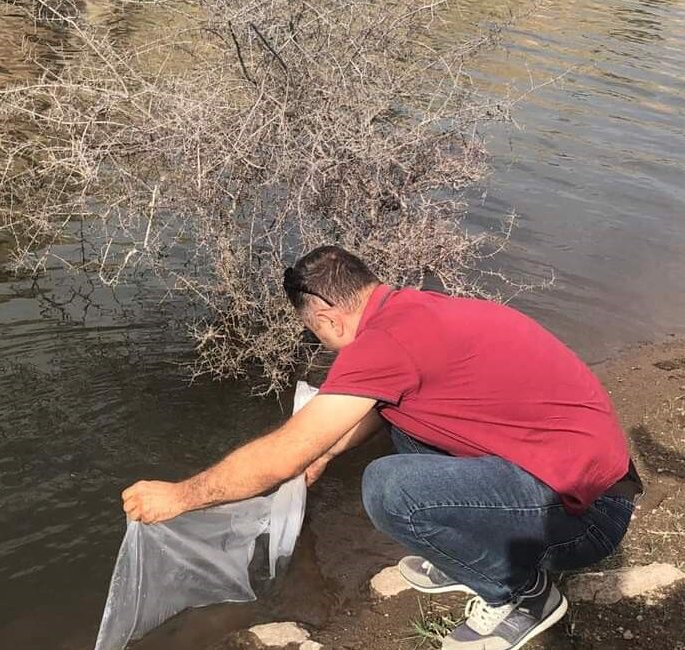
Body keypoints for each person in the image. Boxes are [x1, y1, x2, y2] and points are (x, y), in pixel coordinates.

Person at [122, 245, 641, 650]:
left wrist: (180, 496)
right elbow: (369, 411)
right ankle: (472, 554)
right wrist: (324, 454)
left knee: (390, 488)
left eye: (314, 330)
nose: (319, 339)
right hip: (585, 482)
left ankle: (521, 593)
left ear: (324, 315)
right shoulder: (414, 311)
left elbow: (282, 452)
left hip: (584, 518)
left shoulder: (382, 345)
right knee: (404, 424)